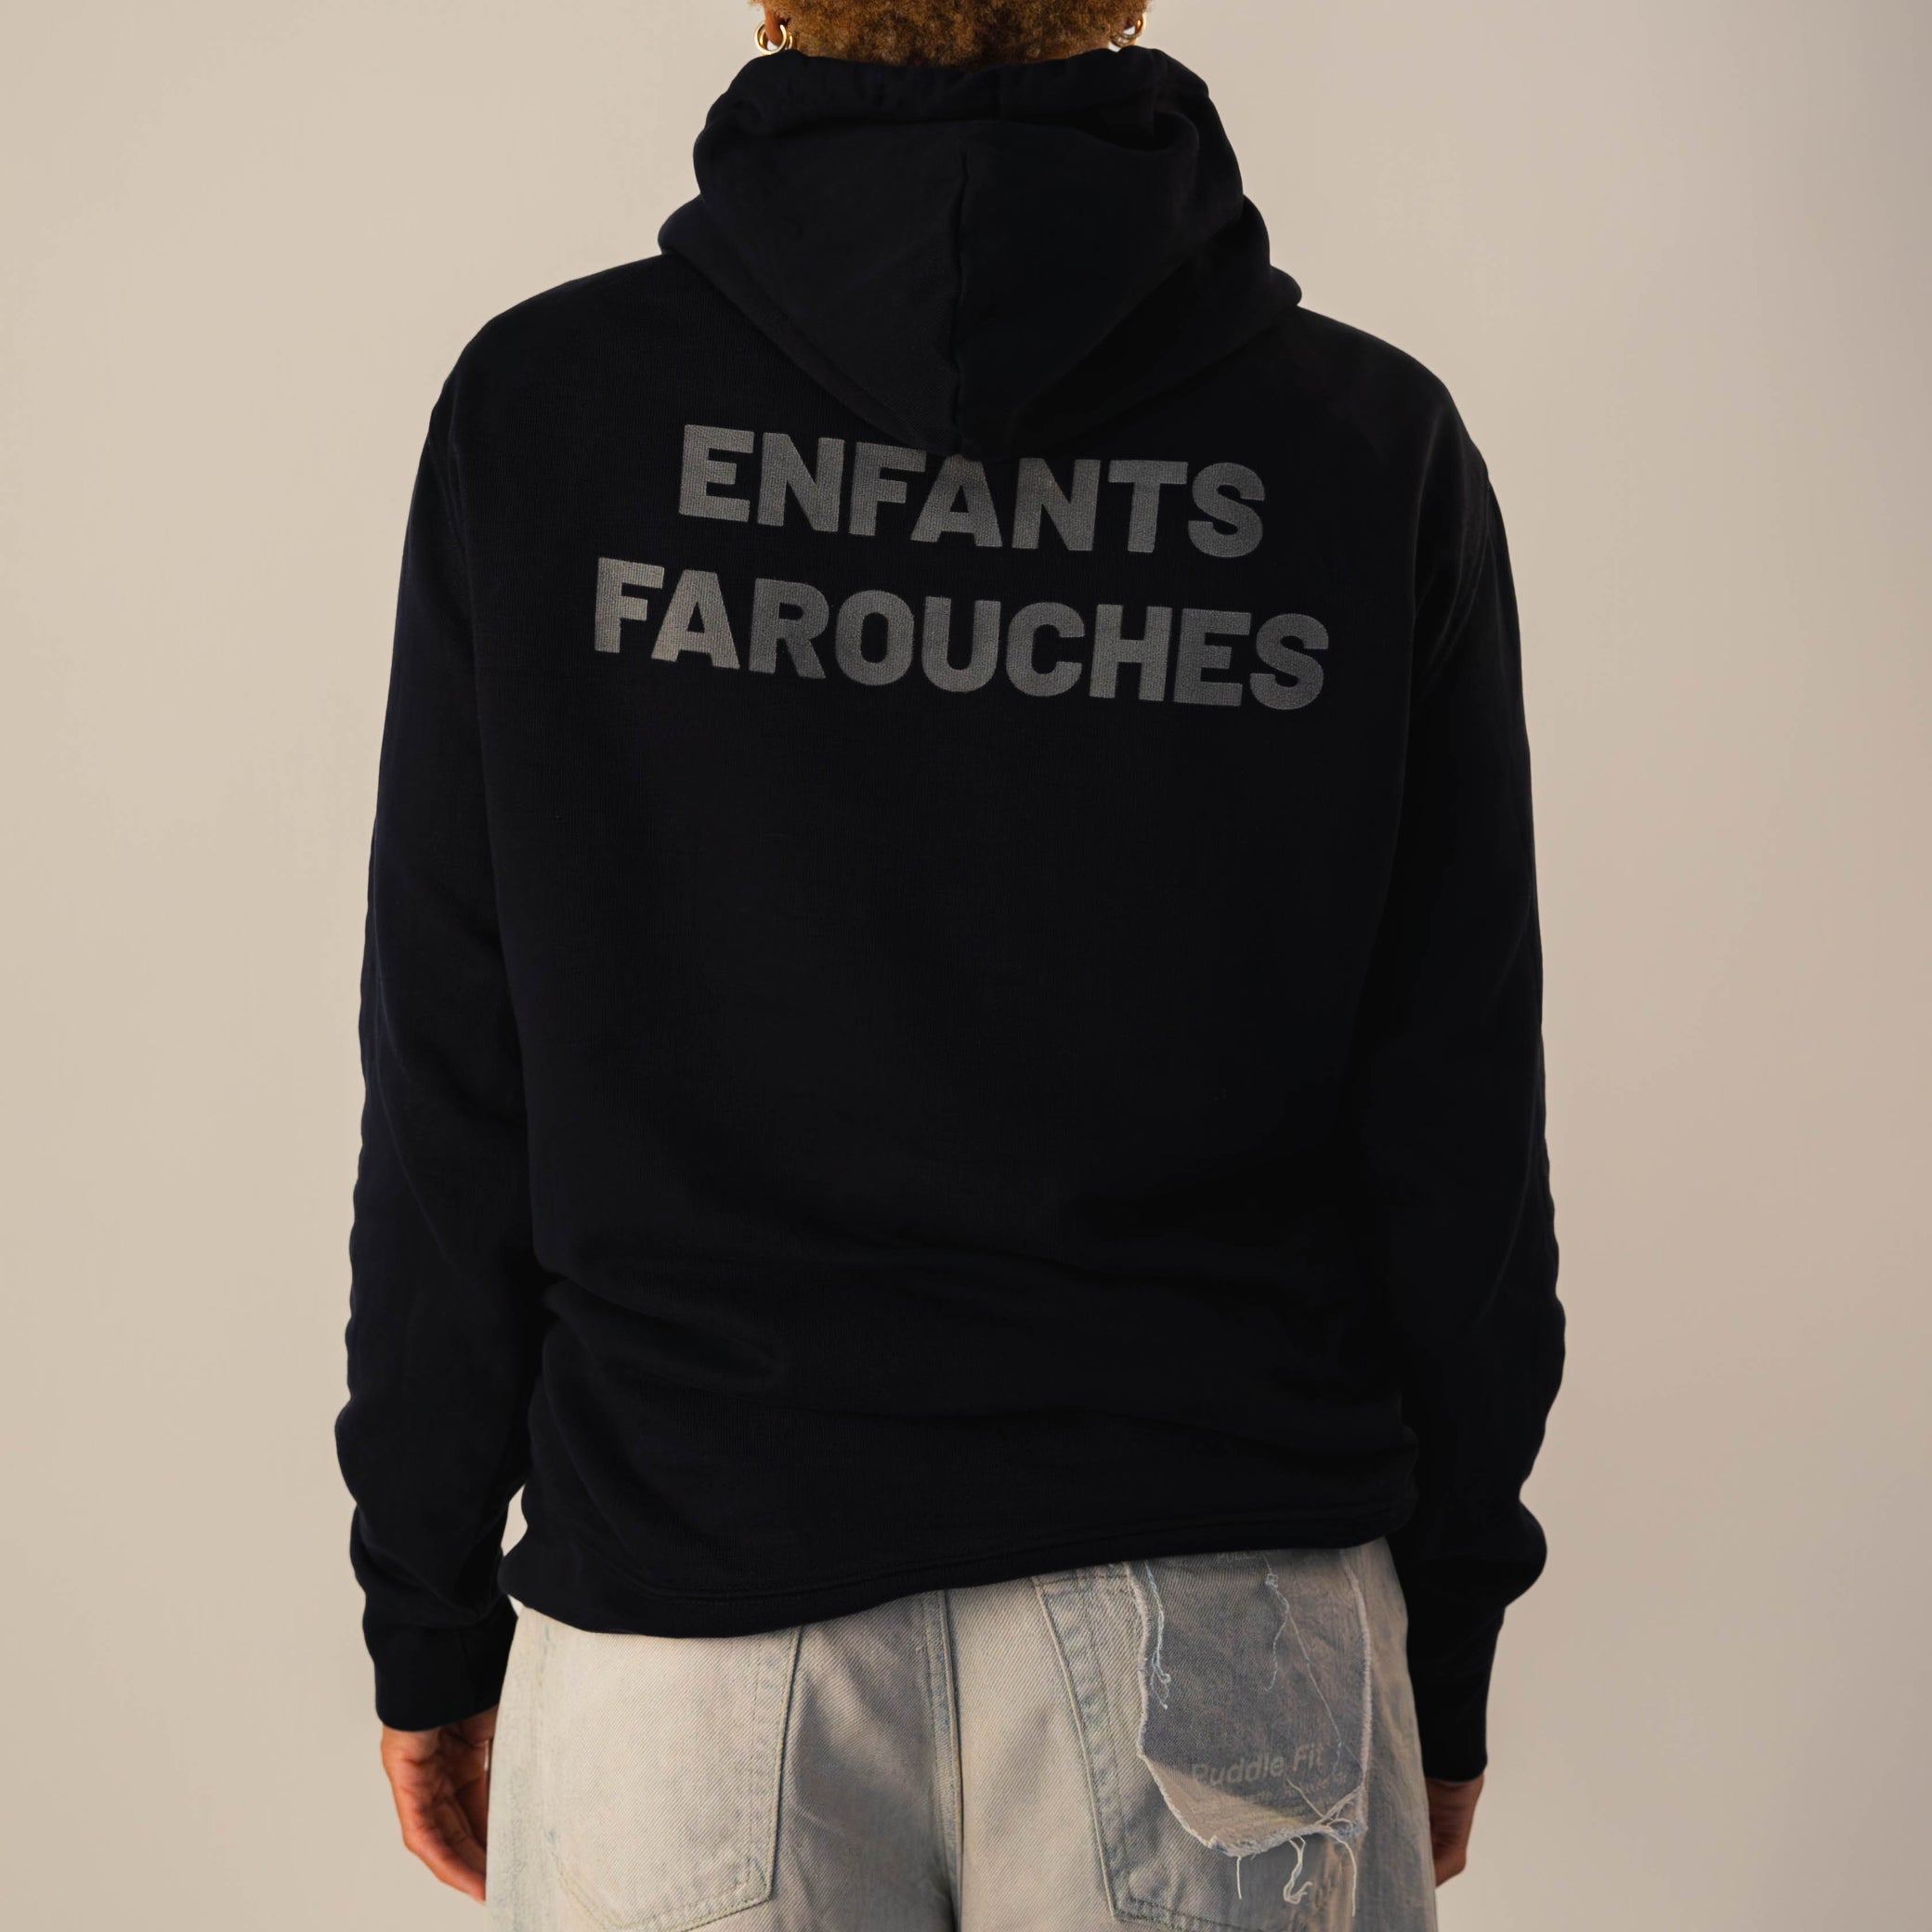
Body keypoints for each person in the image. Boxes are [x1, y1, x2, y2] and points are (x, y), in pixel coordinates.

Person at [336, 3, 1566, 1925]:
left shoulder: (550, 409)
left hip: (690, 1617)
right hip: (1220, 1603)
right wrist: (1451, 1633)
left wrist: (426, 1608)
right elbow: (1458, 1120)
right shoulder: (1358, 443)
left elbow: (450, 1077)